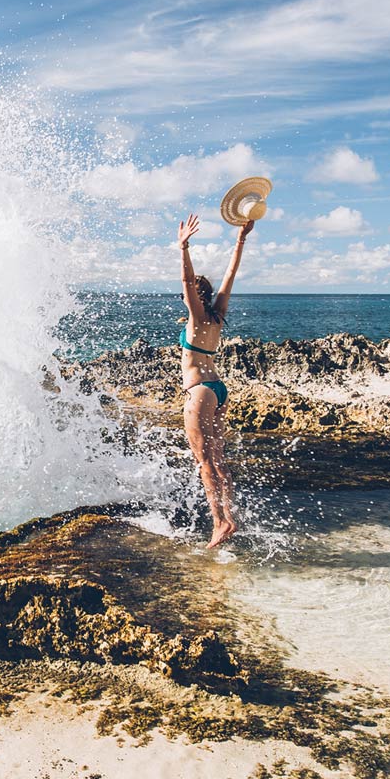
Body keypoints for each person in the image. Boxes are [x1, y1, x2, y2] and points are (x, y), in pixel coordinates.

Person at [174, 212, 250, 548]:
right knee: (218, 458)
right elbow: (231, 273)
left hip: (199, 393)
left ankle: (218, 524)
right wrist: (241, 238)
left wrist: (183, 248)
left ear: (192, 299)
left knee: (203, 461)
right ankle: (230, 518)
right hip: (219, 390)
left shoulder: (196, 318)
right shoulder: (218, 316)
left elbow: (187, 283)